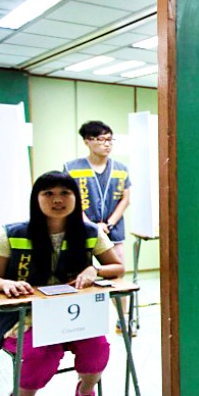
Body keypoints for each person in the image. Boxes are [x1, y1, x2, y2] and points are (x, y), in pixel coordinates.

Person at [0, 172, 124, 396]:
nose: (57, 199)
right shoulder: (12, 233)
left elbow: (117, 267)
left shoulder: (90, 232)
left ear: (76, 198)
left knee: (97, 348)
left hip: (74, 317)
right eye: (48, 193)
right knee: (43, 353)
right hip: (23, 318)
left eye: (65, 193)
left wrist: (95, 271)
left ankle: (86, 393)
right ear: (36, 199)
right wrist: (6, 284)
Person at [63, 121, 132, 328]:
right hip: (81, 230)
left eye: (110, 139)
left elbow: (125, 199)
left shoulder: (121, 168)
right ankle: (78, 320)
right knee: (78, 273)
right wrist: (91, 225)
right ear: (87, 141)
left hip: (113, 230)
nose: (107, 144)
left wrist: (108, 224)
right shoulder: (71, 168)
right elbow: (69, 199)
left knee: (118, 273)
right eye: (101, 139)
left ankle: (123, 317)